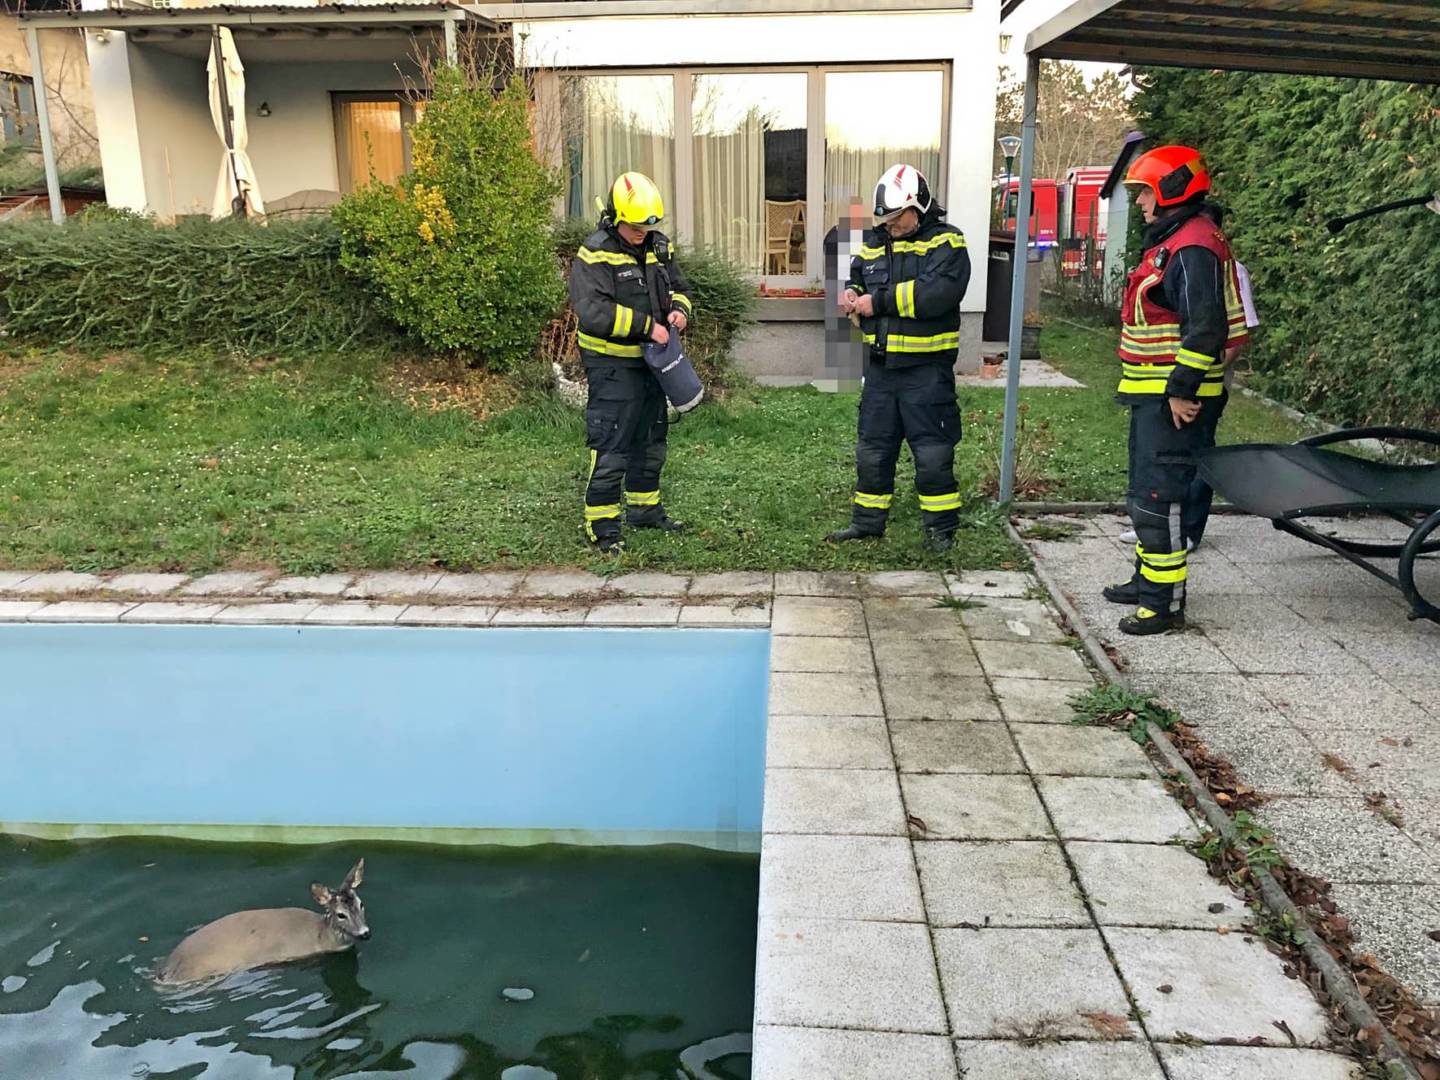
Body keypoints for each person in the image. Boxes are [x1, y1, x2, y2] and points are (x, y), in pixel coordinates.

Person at [1103, 145, 1250, 635]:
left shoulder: (1190, 246)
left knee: (1159, 499)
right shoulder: (1182, 238)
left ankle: (1161, 605)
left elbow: (1205, 327)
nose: (1141, 203)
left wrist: (1182, 389)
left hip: (1174, 401)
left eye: (1145, 192)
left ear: (1170, 188)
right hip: (1155, 396)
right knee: (1145, 492)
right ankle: (1147, 583)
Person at [830, 164, 971, 554]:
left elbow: (937, 295)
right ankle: (866, 523)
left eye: (897, 217)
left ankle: (941, 530)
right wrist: (851, 293)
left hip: (927, 373)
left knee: (933, 455)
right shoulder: (875, 243)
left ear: (919, 206)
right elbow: (857, 275)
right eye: (886, 218)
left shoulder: (948, 243)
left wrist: (877, 302)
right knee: (872, 450)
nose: (890, 225)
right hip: (881, 370)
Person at [569, 172, 694, 554]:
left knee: (651, 440)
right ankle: (603, 526)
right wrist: (648, 328)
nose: (642, 232)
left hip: (651, 366)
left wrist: (679, 312)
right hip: (612, 365)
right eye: (636, 225)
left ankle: (645, 511)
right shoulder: (595, 253)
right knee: (612, 443)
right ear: (615, 217)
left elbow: (681, 288)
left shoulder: (659, 245)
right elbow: (594, 312)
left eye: (648, 225)